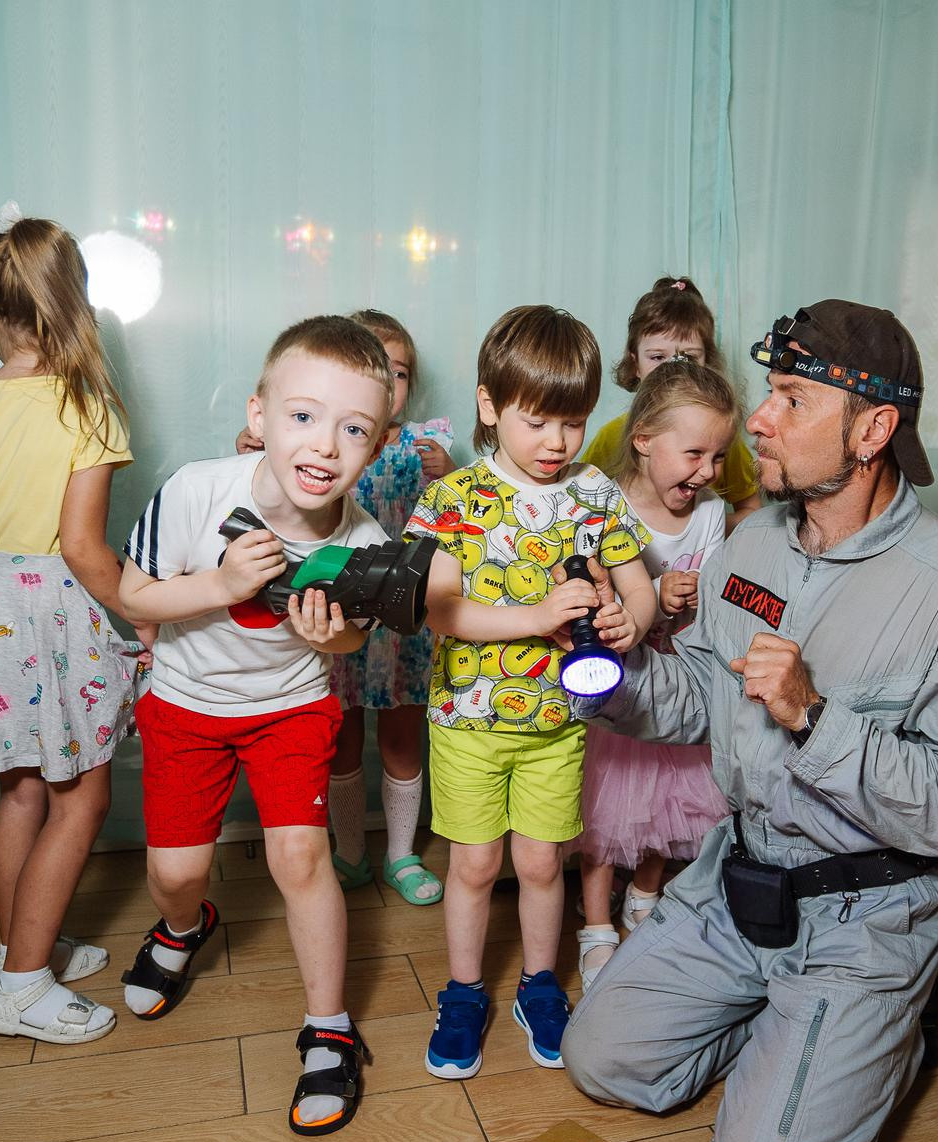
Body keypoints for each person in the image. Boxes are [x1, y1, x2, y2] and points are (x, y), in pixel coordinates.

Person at [562, 301, 938, 1142]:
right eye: (769, 393)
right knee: (600, 1060)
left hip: (865, 915)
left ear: (874, 430)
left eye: (792, 399)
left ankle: (887, 1029)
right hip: (734, 881)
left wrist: (816, 718)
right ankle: (795, 1043)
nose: (760, 420)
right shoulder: (754, 541)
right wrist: (611, 676)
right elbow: (697, 691)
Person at [114, 315, 393, 1136]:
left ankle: (330, 1028)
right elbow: (134, 595)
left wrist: (330, 637)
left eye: (354, 429)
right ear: (260, 414)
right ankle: (183, 925)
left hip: (292, 710)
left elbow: (355, 638)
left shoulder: (366, 540)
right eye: (304, 415)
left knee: (300, 857)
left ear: (378, 446)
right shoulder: (197, 489)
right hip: (185, 706)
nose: (325, 445)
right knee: (176, 872)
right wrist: (221, 583)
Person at [408, 305, 656, 1080]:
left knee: (544, 865)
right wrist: (536, 616)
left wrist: (629, 618)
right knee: (475, 866)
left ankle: (541, 984)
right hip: (467, 720)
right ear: (490, 405)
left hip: (559, 722)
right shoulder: (452, 499)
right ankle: (463, 991)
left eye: (573, 422)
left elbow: (638, 588)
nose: (557, 442)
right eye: (538, 421)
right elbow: (439, 609)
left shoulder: (596, 493)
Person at [0, 216, 136, 1046]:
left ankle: (24, 948)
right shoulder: (89, 410)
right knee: (84, 797)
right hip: (58, 614)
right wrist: (147, 614)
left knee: (22, 791)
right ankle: (20, 987)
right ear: (76, 304)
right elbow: (83, 549)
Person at [238, 311, 467, 906]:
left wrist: (449, 473)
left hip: (406, 619)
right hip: (335, 613)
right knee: (340, 739)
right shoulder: (323, 444)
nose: (389, 381)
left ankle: (401, 853)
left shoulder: (424, 444)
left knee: (402, 739)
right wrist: (254, 447)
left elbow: (460, 520)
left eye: (400, 372)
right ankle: (349, 851)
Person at [575, 359, 739, 989]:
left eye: (718, 457)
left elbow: (713, 598)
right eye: (694, 454)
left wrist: (692, 599)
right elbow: (591, 589)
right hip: (621, 686)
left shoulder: (711, 515)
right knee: (609, 810)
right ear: (643, 440)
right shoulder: (604, 504)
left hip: (681, 682)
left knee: (672, 806)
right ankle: (595, 925)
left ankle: (644, 896)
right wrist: (652, 595)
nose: (708, 471)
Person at [577, 276, 763, 525]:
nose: (673, 369)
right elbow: (579, 509)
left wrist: (703, 528)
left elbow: (752, 512)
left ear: (707, 363)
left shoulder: (719, 440)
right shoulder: (610, 437)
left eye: (689, 358)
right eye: (657, 357)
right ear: (635, 364)